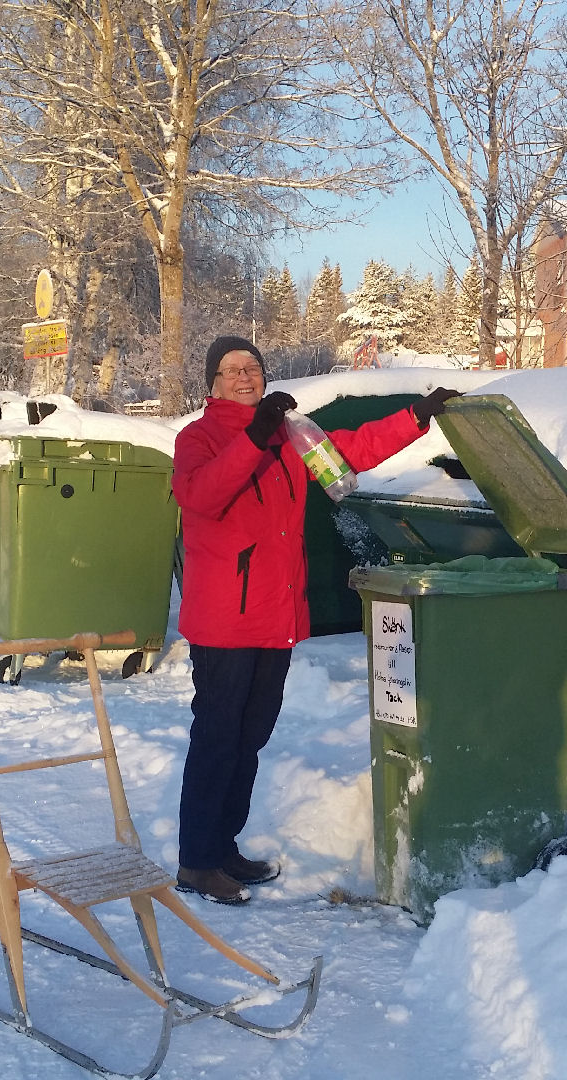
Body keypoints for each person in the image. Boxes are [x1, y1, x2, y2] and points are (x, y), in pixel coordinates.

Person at [170, 335, 461, 904]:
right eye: (231, 370)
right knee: (216, 738)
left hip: (274, 617)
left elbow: (350, 449)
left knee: (250, 738)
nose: (244, 377)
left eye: (252, 367)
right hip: (225, 620)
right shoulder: (197, 438)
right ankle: (197, 862)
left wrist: (416, 416)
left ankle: (223, 848)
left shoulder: (288, 435)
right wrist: (253, 439)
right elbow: (202, 496)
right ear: (212, 382)